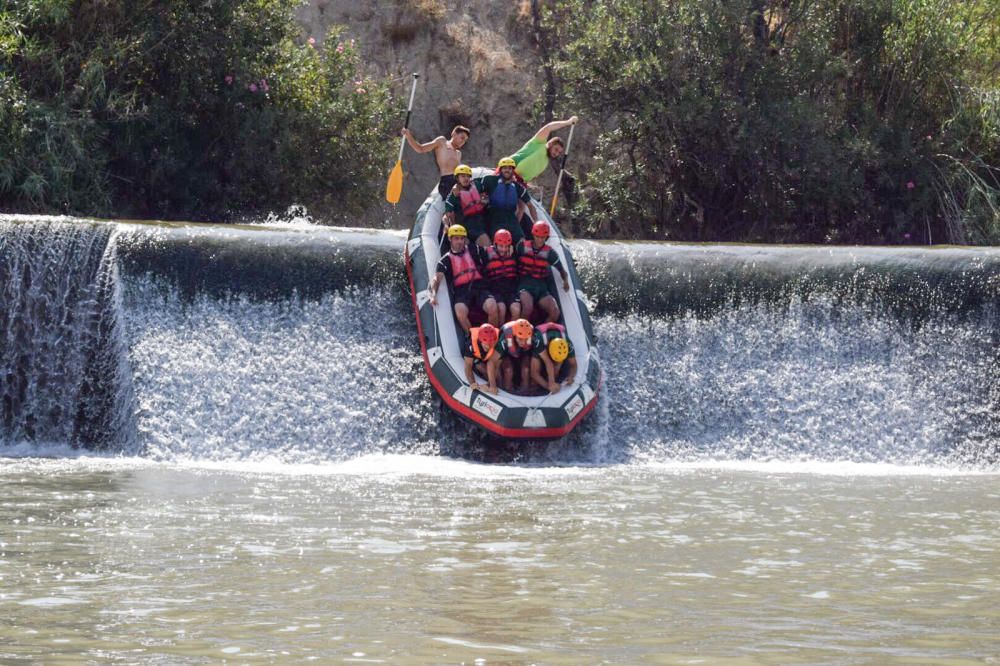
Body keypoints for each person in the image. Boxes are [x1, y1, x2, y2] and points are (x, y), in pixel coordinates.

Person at [429, 224, 500, 332]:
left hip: (479, 287)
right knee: (459, 311)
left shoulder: (473, 249)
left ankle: (492, 335)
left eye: (462, 239)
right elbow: (436, 279)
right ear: (450, 239)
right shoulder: (445, 260)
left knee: (492, 306)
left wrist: (503, 248)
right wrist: (433, 295)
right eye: (456, 239)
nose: (460, 242)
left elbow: (489, 250)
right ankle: (471, 337)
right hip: (462, 292)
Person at [474, 157, 538, 245]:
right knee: (499, 241)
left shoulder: (518, 187)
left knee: (521, 242)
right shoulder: (490, 180)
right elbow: (473, 186)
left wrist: (536, 221)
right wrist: (479, 197)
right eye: (504, 168)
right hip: (494, 217)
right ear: (500, 170)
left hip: (511, 218)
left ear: (513, 170)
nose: (507, 170)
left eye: (510, 168)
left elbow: (530, 205)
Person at [516, 220, 570, 323]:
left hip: (541, 287)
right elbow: (513, 262)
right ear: (533, 234)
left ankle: (541, 333)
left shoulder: (551, 253)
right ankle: (521, 333)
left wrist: (566, 281)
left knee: (555, 312)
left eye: (542, 237)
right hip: (524, 284)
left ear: (546, 238)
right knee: (528, 308)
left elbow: (562, 270)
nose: (540, 240)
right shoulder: (522, 247)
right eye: (537, 236)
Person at [401, 125, 470, 200]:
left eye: (465, 140)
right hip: (447, 182)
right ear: (454, 133)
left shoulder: (458, 153)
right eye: (462, 138)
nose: (463, 142)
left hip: (458, 183)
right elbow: (420, 149)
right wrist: (408, 136)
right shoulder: (442, 142)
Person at [510, 116, 578, 184]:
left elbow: (530, 176)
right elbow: (549, 127)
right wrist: (568, 122)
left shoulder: (545, 163)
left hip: (518, 182)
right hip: (508, 170)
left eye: (559, 152)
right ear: (550, 144)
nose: (556, 154)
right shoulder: (539, 142)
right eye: (556, 149)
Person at [443, 164, 489, 247]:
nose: (466, 178)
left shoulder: (477, 185)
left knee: (487, 244)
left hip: (479, 223)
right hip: (464, 227)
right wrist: (447, 226)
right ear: (457, 178)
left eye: (468, 176)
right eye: (463, 176)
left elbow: (486, 188)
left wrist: (484, 199)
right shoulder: (453, 195)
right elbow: (447, 214)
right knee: (475, 246)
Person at [482, 229, 521, 324]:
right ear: (495, 244)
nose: (504, 249)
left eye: (506, 246)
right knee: (501, 309)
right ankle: (500, 332)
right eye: (501, 246)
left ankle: (510, 332)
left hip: (511, 289)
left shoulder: (514, 253)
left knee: (516, 310)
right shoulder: (486, 253)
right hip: (495, 289)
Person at [528, 322, 577, 394]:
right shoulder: (539, 342)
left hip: (554, 344)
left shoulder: (568, 344)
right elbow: (534, 372)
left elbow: (573, 365)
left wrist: (571, 376)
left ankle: (555, 378)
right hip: (543, 345)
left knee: (555, 370)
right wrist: (548, 386)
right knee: (534, 377)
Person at [493, 318, 535, 394]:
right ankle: (508, 388)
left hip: (524, 352)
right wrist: (495, 383)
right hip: (507, 352)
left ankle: (525, 390)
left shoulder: (531, 334)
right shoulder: (504, 338)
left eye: (526, 339)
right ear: (515, 335)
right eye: (520, 339)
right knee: (508, 370)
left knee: (526, 370)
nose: (523, 342)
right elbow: (493, 362)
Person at [463, 323, 500, 394]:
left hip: (491, 357)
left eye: (490, 344)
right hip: (477, 357)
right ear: (480, 341)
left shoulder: (498, 339)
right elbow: (468, 366)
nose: (488, 347)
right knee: (483, 369)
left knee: (498, 374)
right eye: (486, 344)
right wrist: (472, 383)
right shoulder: (470, 344)